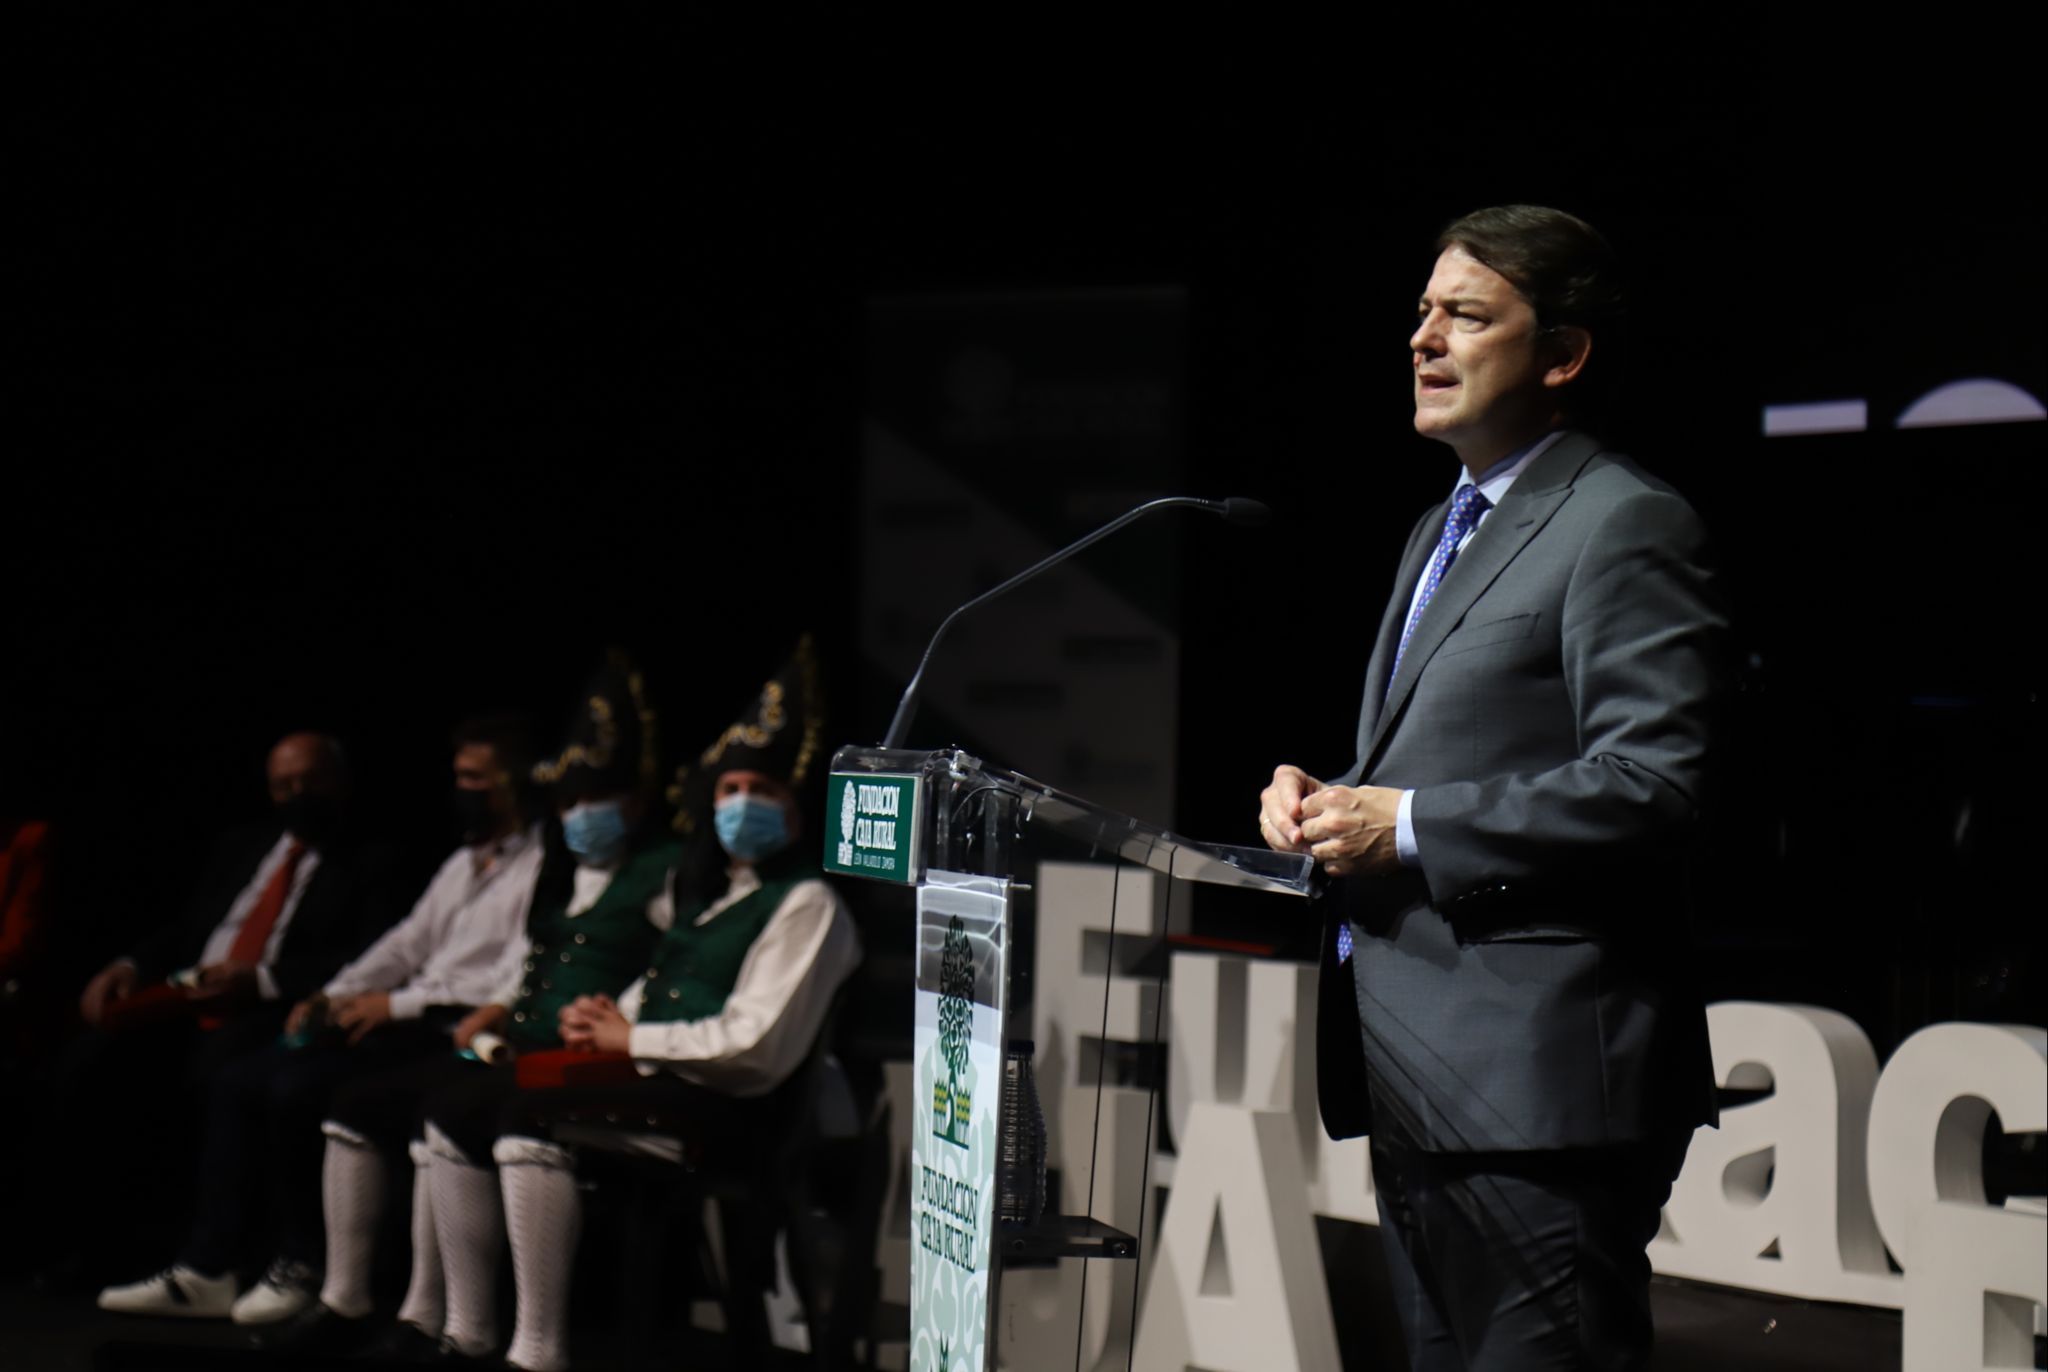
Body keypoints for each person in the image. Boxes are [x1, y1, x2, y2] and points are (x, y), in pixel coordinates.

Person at [1256, 205, 1728, 1371]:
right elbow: (1448, 751)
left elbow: (1652, 783)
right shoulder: (1439, 528)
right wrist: (1329, 798)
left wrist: (1405, 823)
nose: (1423, 338)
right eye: (1420, 313)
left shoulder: (1624, 522)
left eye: (1464, 315)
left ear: (1561, 353)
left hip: (1539, 1095)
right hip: (1419, 1074)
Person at [423, 637, 860, 1372]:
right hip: (665, 1079)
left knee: (520, 1116)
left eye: (764, 790)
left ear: (797, 806)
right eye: (728, 791)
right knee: (456, 1101)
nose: (741, 804)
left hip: (731, 1109)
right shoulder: (716, 897)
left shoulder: (808, 904)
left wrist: (630, 1040)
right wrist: (602, 1020)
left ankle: (537, 1351)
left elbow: (753, 1046)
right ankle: (463, 1332)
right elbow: (658, 985)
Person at [268, 655, 677, 1359]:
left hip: (579, 1049)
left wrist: (620, 1020)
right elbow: (506, 958)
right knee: (383, 1100)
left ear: (636, 803)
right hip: (513, 1037)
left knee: (453, 1106)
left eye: (596, 799)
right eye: (569, 800)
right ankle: (429, 1321)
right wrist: (491, 1008)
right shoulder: (550, 871)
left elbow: (672, 965)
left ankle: (500, 1340)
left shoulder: (651, 870)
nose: (579, 814)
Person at [94, 715, 547, 1322]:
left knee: (295, 1089)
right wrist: (334, 994)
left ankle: (306, 1265)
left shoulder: (542, 863)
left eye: (473, 778)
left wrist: (391, 1005)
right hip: (401, 1015)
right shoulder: (467, 860)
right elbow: (406, 944)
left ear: (513, 784)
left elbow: (504, 981)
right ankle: (210, 1267)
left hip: (448, 1029)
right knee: (241, 1079)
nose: (460, 789)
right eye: (458, 776)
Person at [38, 731, 405, 1287]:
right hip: (188, 1000)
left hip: (269, 1007)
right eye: (284, 786)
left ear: (340, 783)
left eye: (310, 781)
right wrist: (130, 965)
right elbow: (190, 927)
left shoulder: (375, 857)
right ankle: (94, 1249)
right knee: (89, 1064)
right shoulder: (244, 844)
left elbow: (371, 956)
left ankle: (211, 1258)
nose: (297, 794)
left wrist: (259, 980)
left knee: (221, 1072)